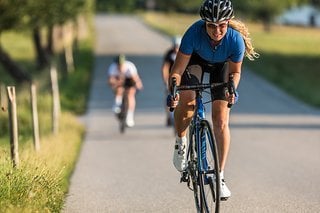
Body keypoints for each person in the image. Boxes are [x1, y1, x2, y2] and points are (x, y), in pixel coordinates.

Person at [167, 0, 259, 200]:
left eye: (222, 26)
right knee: (189, 101)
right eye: (211, 26)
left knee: (221, 120)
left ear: (228, 22)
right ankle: (181, 141)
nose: (217, 31)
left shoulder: (235, 40)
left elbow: (235, 72)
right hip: (195, 62)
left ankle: (220, 176)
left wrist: (232, 88)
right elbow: (177, 70)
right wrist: (173, 89)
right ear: (204, 24)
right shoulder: (193, 33)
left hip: (222, 67)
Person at [107, 54, 143, 127]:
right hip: (118, 80)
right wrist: (115, 84)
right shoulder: (112, 67)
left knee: (130, 94)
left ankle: (129, 117)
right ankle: (117, 104)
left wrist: (138, 84)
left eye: (121, 64)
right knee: (119, 90)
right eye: (118, 64)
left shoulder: (130, 67)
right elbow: (110, 80)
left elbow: (135, 78)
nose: (120, 66)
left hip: (129, 80)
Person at [161, 36, 182, 126]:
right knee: (169, 96)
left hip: (182, 77)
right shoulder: (169, 54)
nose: (176, 48)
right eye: (175, 46)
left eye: (178, 46)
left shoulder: (184, 52)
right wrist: (166, 80)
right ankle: (169, 116)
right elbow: (165, 68)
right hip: (171, 78)